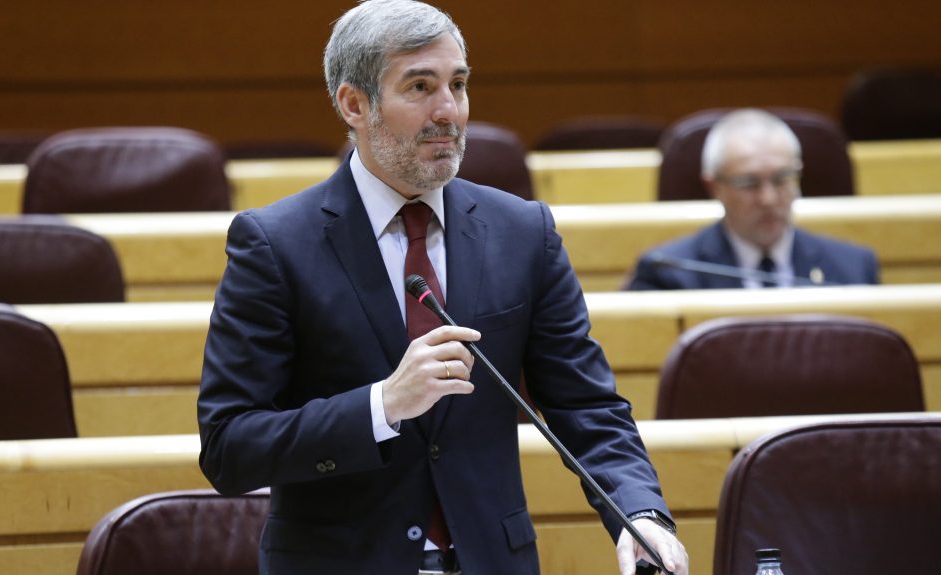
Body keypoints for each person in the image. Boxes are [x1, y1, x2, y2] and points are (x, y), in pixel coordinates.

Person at [198, 2, 688, 574]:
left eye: (458, 84)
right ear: (354, 104)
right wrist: (382, 405)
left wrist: (639, 513)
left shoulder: (523, 232)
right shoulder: (276, 244)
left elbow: (588, 406)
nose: (449, 111)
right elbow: (230, 447)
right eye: (421, 87)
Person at [626, 108, 879, 290]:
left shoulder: (854, 269)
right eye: (749, 184)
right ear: (714, 187)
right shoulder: (668, 274)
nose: (768, 199)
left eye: (782, 179)